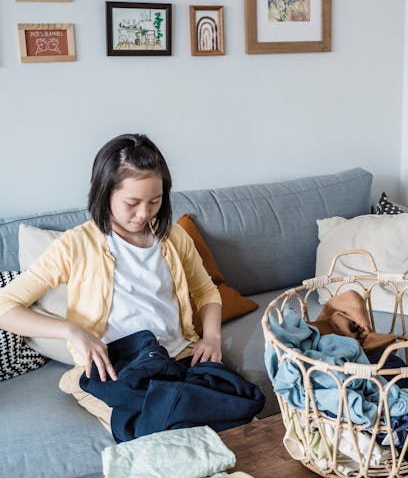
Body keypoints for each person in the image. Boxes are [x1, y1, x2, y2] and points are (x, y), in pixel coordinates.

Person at [0, 134, 263, 441]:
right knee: (159, 431)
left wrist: (213, 337)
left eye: (155, 201)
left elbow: (206, 292)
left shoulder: (174, 239)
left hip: (178, 356)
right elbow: (5, 307)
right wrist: (72, 330)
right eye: (132, 202)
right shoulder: (76, 245)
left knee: (244, 405)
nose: (144, 213)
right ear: (105, 192)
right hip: (117, 367)